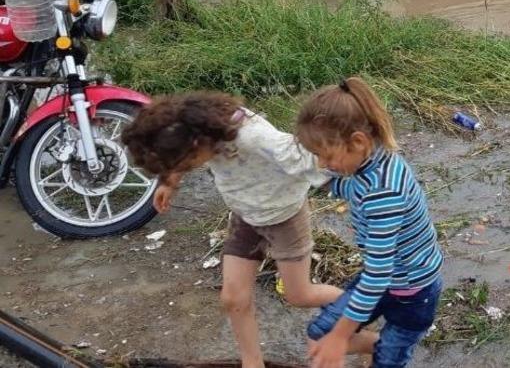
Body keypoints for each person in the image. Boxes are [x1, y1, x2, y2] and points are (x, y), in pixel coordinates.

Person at [121, 92, 342, 368]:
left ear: (197, 143)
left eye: (185, 166)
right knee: (233, 298)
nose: (186, 169)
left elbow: (311, 158)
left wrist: (352, 177)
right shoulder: (192, 127)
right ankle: (252, 362)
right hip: (245, 216)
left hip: (284, 217)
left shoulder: (254, 137)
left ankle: (353, 307)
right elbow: (176, 151)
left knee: (299, 295)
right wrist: (169, 181)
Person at [297, 77, 443, 368]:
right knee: (319, 332)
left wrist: (341, 336)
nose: (322, 165)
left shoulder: (384, 193)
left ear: (359, 141)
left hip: (413, 295)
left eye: (326, 156)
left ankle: (386, 350)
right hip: (384, 280)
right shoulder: (371, 161)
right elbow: (347, 187)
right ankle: (377, 344)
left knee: (387, 361)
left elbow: (378, 276)